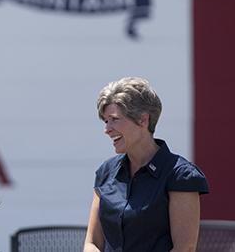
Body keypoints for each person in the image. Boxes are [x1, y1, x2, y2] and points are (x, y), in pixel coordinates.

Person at [83, 77, 208, 252]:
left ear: (143, 120)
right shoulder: (106, 172)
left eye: (114, 119)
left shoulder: (180, 175)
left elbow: (184, 248)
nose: (107, 129)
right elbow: (92, 243)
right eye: (106, 121)